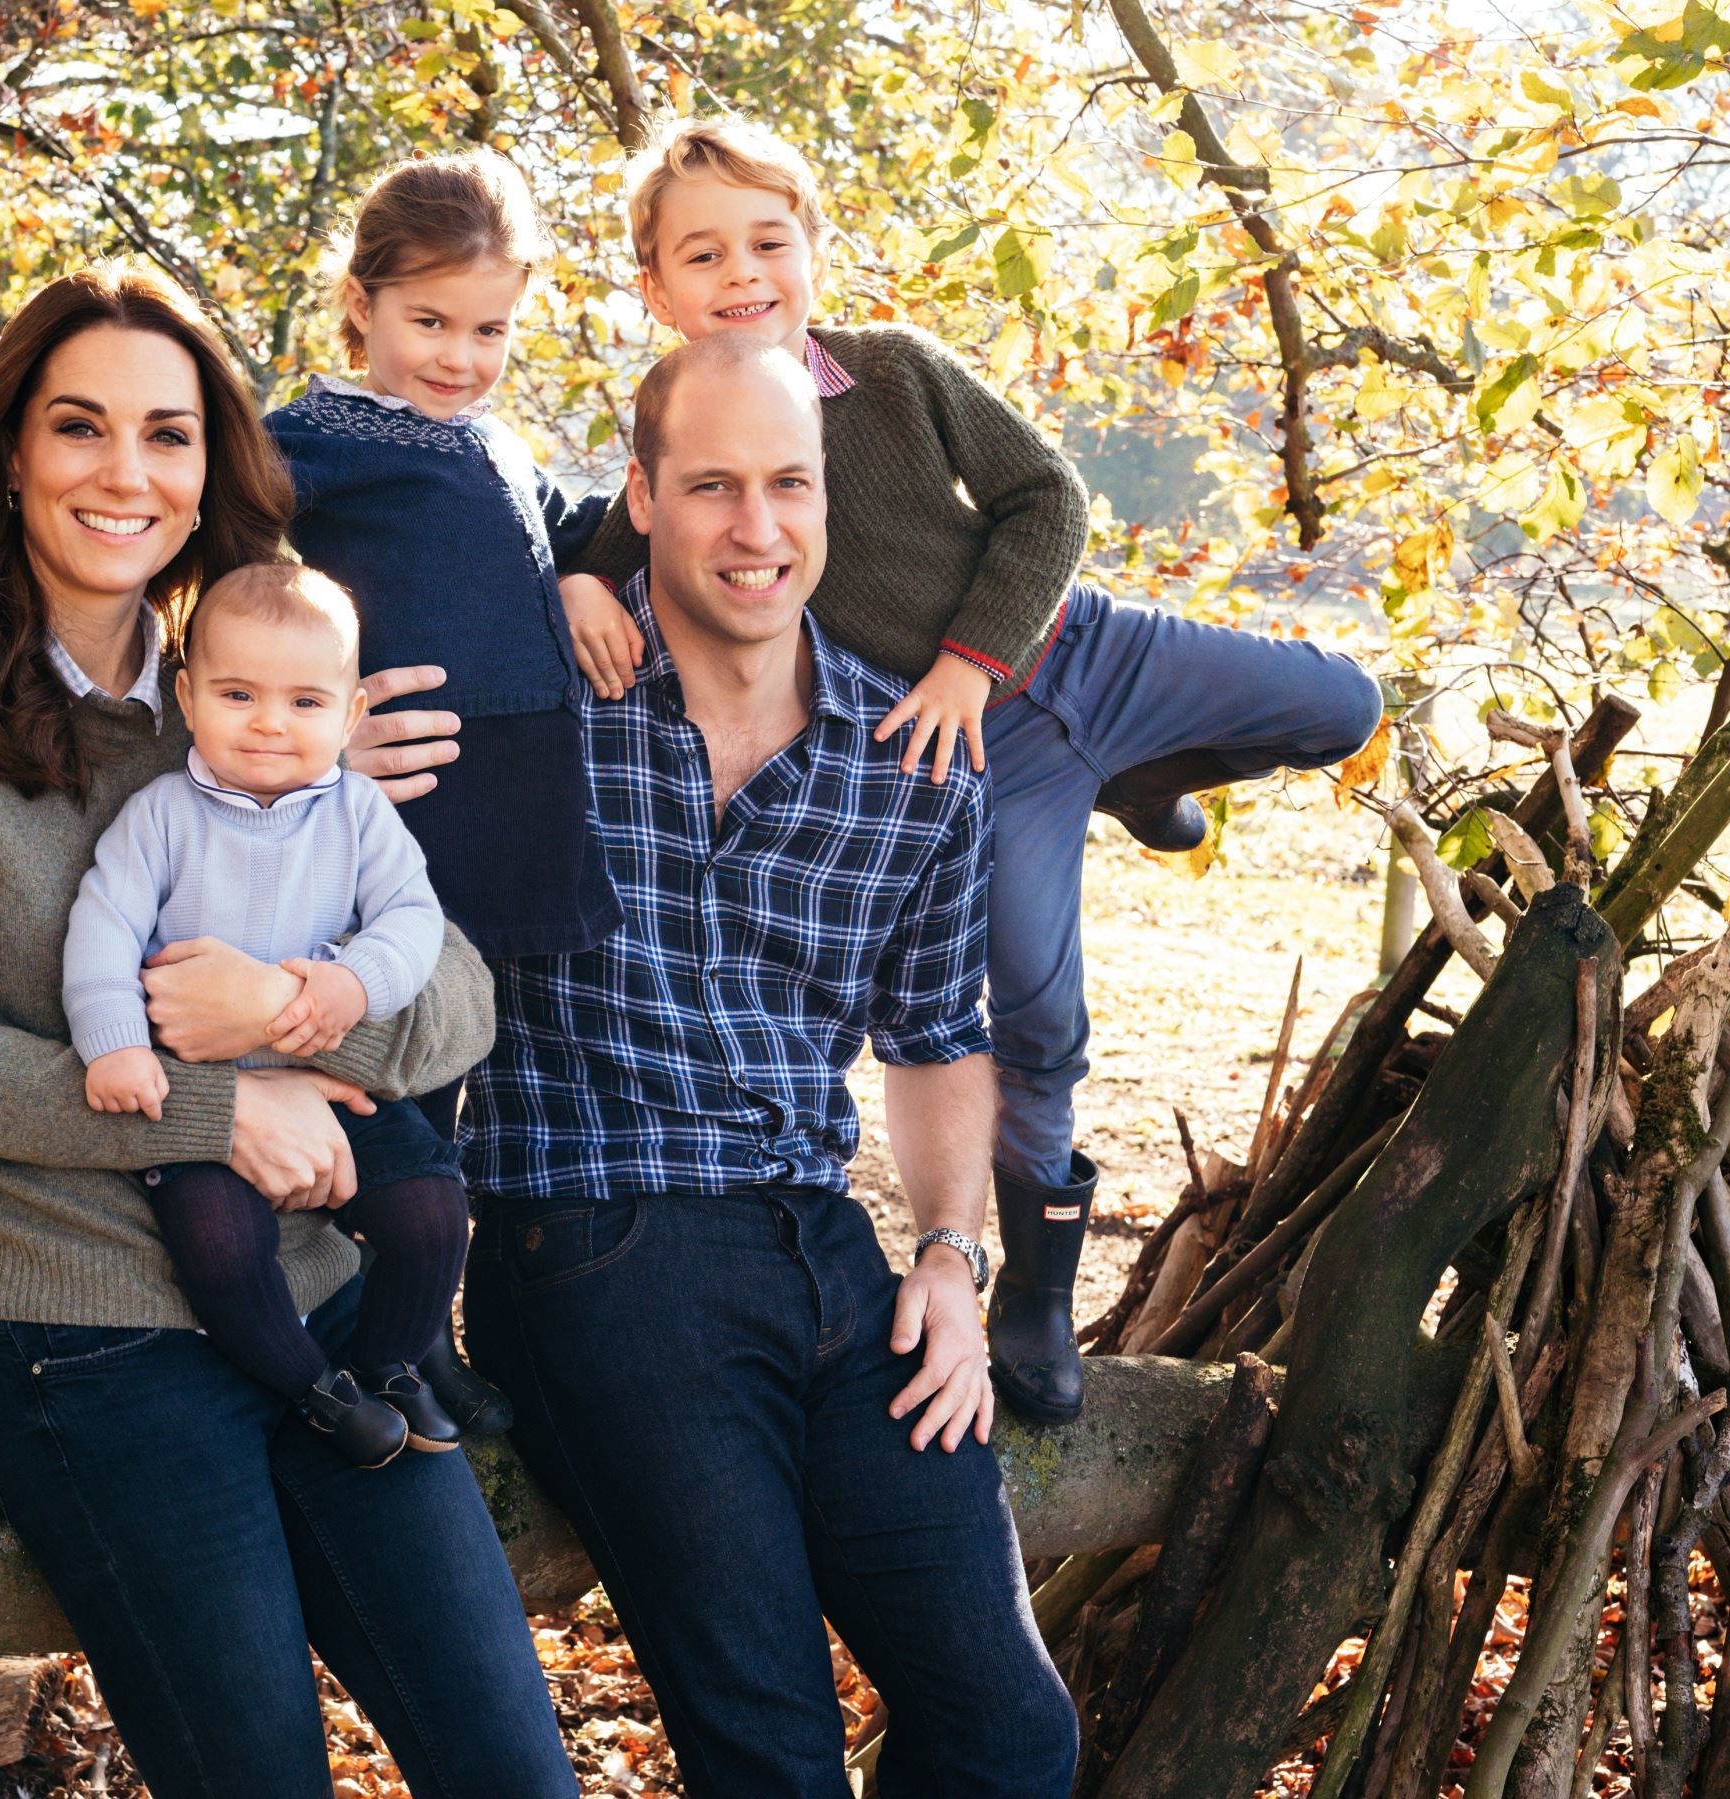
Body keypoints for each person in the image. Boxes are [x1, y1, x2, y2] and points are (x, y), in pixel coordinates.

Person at [0, 262, 577, 1799]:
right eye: (79, 427)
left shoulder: (258, 692)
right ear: (10, 448)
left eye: (168, 434)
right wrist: (224, 1111)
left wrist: (299, 1016)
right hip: (92, 1335)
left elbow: (462, 992)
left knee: (515, 1770)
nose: (125, 472)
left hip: (332, 1304)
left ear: (213, 466)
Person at [557, 116, 1384, 1423]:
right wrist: (572, 584)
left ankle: (1147, 769)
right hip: (981, 762)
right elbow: (614, 543)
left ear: (814, 249)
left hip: (1079, 652)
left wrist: (967, 657)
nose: (743, 273)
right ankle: (1039, 1298)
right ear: (656, 288)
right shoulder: (685, 437)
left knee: (1344, 701)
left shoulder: (894, 373)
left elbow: (1046, 498)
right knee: (1036, 1014)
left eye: (769, 241)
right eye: (702, 254)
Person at [465, 332, 1080, 1798]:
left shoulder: (910, 754)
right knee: (774, 1756)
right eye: (714, 485)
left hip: (824, 1247)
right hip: (598, 1242)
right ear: (643, 495)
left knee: (1012, 1734)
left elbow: (938, 1036)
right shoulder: (536, 699)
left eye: (788, 484)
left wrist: (946, 1251)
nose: (758, 527)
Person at [265, 148, 625, 1432]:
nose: (461, 355)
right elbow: (218, 575)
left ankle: (427, 1324)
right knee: (395, 1080)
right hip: (414, 808)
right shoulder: (311, 440)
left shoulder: (494, 437)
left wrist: (583, 572)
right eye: (429, 321)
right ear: (361, 302)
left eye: (490, 329)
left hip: (517, 808)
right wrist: (308, 718)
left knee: (456, 1077)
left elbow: (562, 520)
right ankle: (383, 1332)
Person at [62, 562, 467, 1465]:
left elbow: (412, 919)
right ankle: (313, 1389)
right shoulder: (160, 816)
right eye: (238, 693)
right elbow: (101, 929)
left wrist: (351, 984)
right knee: (219, 1243)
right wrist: (116, 1045)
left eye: (305, 701)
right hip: (201, 1097)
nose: (270, 723)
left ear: (352, 713)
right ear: (188, 695)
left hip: (327, 1083)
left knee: (433, 1209)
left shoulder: (359, 814)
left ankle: (392, 1361)